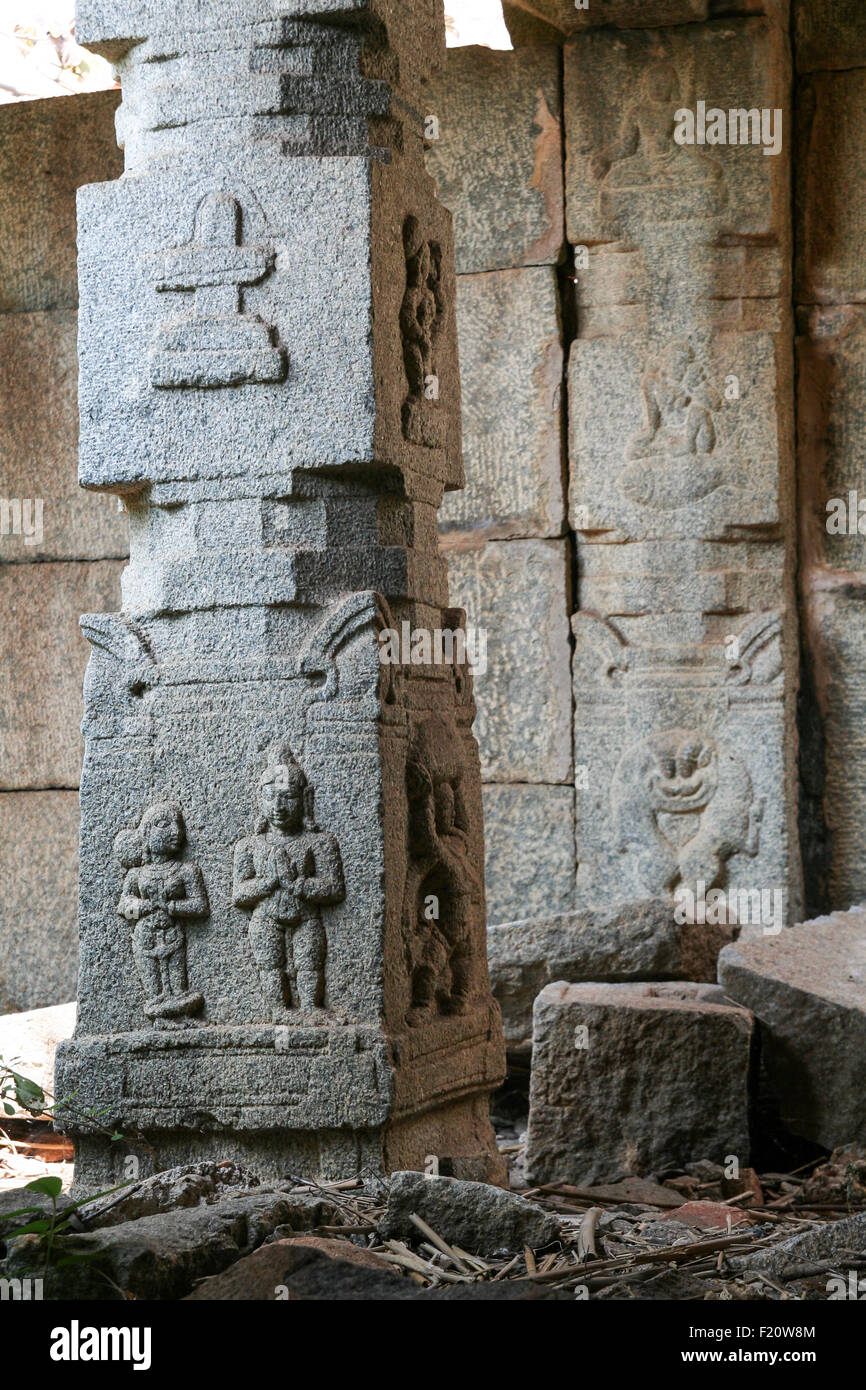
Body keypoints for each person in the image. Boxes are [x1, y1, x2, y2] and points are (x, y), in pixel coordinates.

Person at [233, 744, 345, 1022]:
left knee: (310, 963)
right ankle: (280, 1012)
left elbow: (334, 887)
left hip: (306, 914)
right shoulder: (250, 846)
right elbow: (239, 893)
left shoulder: (319, 842)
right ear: (260, 800)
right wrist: (269, 883)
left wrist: (299, 884)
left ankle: (310, 1007)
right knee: (271, 966)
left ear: (305, 800)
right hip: (266, 916)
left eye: (288, 798)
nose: (279, 807)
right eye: (271, 798)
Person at [115, 802, 209, 1024]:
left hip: (173, 935)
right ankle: (161, 1018)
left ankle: (180, 1015)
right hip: (144, 938)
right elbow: (123, 909)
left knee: (178, 986)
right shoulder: (136, 874)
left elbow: (200, 906)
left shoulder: (187, 871)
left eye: (177, 826)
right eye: (163, 825)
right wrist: (142, 907)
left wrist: (173, 907)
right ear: (146, 833)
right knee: (155, 990)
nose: (174, 832)